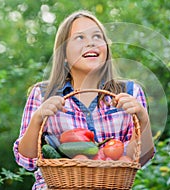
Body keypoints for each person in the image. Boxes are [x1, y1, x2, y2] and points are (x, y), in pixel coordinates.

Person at [13, 10, 154, 189]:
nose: (91, 42)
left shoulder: (130, 93)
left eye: (97, 36)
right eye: (80, 38)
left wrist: (143, 118)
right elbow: (27, 160)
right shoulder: (42, 94)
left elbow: (140, 159)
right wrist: (38, 119)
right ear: (63, 53)